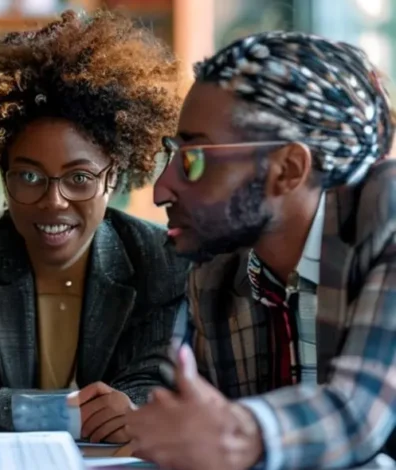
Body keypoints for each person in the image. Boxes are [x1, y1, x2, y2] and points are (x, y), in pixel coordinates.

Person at [0, 10, 188, 443]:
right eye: (29, 176)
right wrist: (63, 411)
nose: (53, 200)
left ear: (112, 178)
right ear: (3, 177)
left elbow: (148, 392)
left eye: (79, 178)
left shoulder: (159, 260)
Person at [124, 31, 396, 470]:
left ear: (288, 169)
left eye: (194, 158)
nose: (161, 189)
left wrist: (241, 435)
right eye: (172, 155)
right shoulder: (215, 271)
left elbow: (358, 414)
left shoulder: (387, 220)